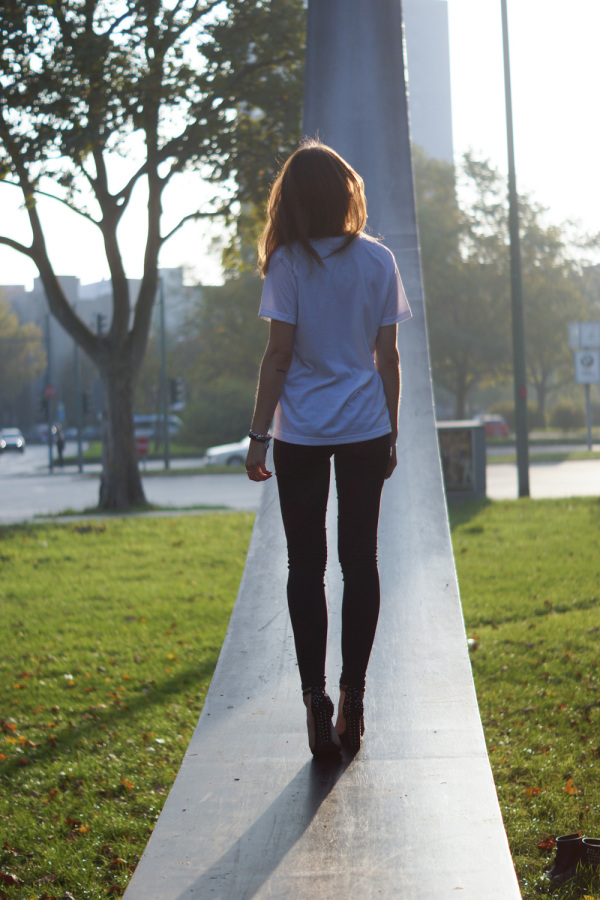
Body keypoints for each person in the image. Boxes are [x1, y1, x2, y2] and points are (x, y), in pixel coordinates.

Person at [245, 140, 412, 759]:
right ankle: (353, 695)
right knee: (359, 561)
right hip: (367, 429)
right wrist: (392, 431)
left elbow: (279, 356)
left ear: (290, 200)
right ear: (345, 194)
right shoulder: (378, 261)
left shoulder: (287, 264)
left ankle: (314, 698)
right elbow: (387, 357)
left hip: (302, 436)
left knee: (305, 567)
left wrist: (259, 435)